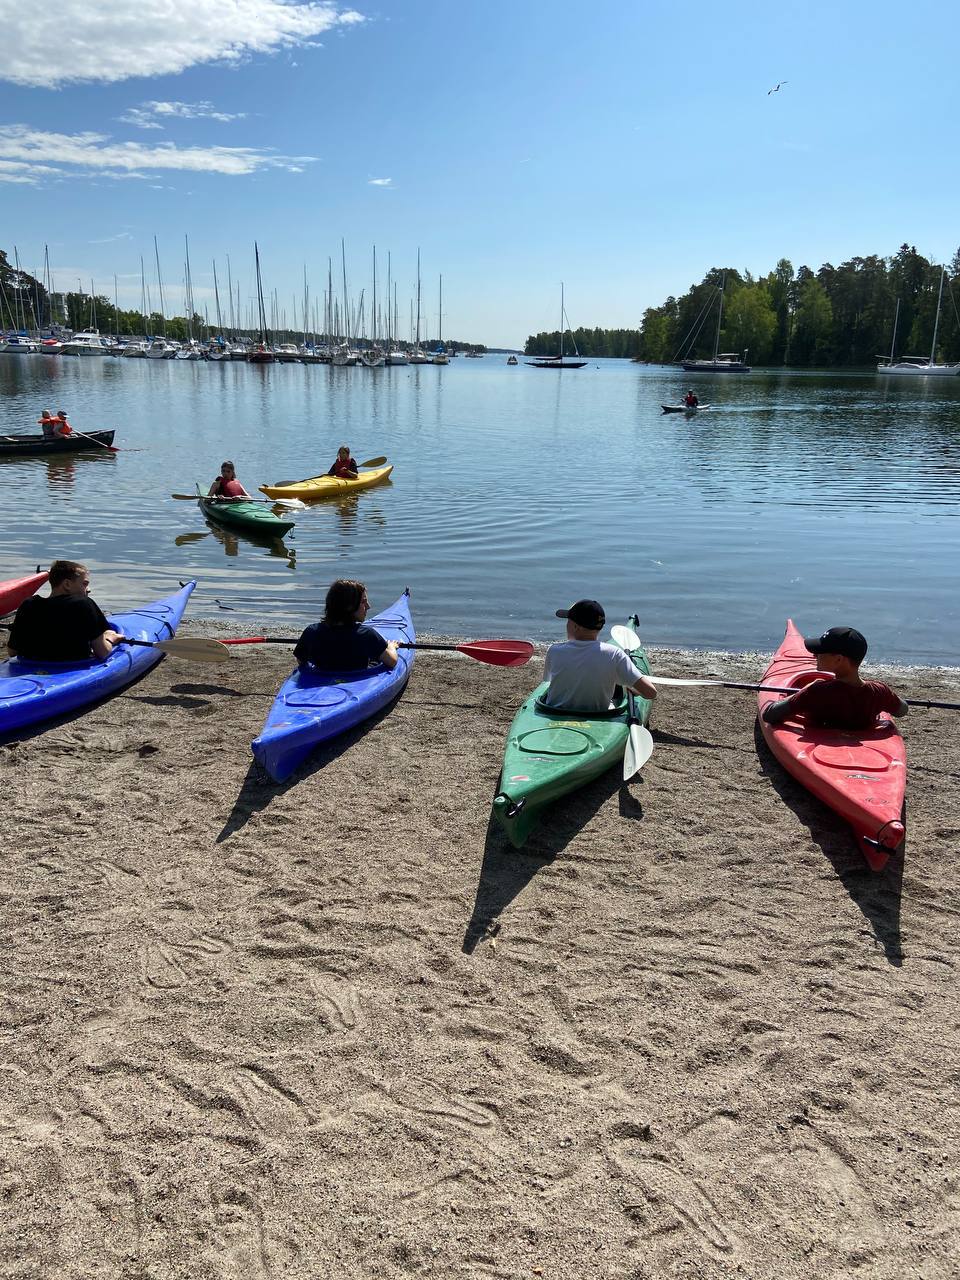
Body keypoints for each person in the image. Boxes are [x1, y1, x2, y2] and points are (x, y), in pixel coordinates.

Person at [762, 626, 908, 730]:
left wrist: (804, 691)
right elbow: (902, 710)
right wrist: (884, 699)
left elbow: (770, 714)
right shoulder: (879, 691)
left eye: (820, 652)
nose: (814, 656)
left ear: (838, 660)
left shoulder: (817, 692)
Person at [542, 599, 658, 713]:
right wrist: (635, 691)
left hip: (555, 713)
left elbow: (547, 682)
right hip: (597, 715)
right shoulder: (614, 654)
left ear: (576, 627)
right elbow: (651, 693)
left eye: (568, 621)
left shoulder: (554, 651)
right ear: (600, 627)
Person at [7, 560, 124, 663]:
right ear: (67, 584)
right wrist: (109, 638)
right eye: (84, 584)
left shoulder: (29, 604)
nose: (88, 589)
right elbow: (102, 653)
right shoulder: (84, 603)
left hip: (31, 663)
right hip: (70, 666)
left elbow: (12, 651)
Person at [293, 579, 399, 673]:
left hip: (322, 677)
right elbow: (392, 661)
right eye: (363, 602)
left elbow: (301, 660)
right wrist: (391, 647)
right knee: (376, 659)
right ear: (349, 606)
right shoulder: (366, 634)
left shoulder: (311, 631)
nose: (368, 606)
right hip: (356, 681)